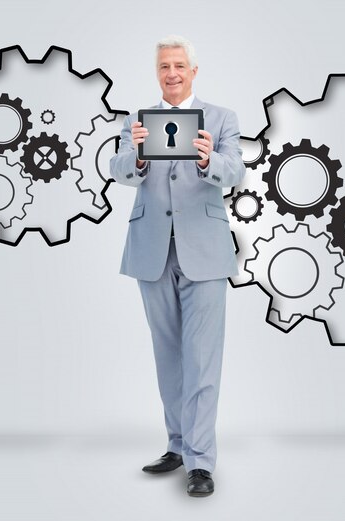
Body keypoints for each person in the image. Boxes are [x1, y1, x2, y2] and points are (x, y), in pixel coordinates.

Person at [109, 35, 245, 497]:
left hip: (204, 251)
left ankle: (200, 462)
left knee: (202, 356)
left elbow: (236, 171)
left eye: (179, 65)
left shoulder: (222, 118)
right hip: (152, 249)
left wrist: (209, 159)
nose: (172, 72)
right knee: (167, 354)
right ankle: (178, 444)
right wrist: (141, 154)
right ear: (157, 72)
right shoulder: (136, 121)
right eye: (164, 65)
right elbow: (118, 169)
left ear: (194, 70)